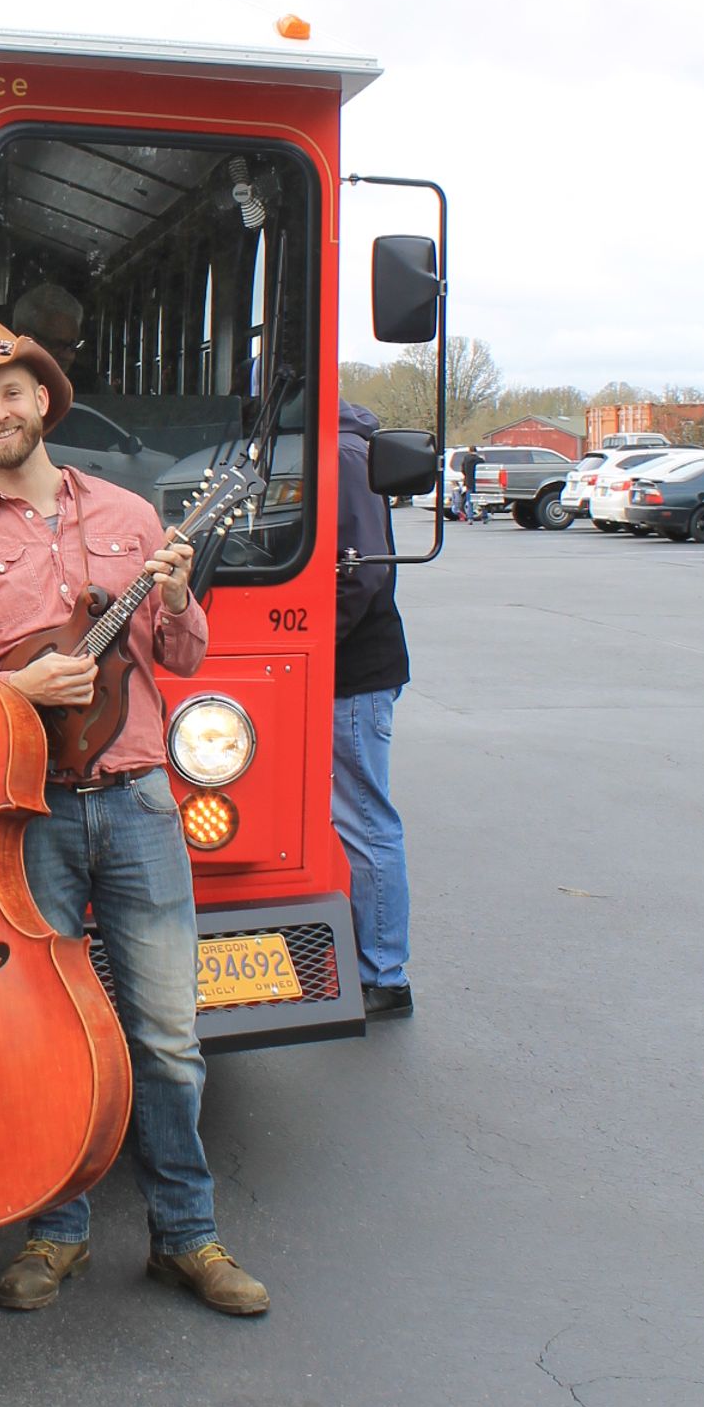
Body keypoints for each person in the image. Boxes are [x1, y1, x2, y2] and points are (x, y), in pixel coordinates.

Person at [0, 321, 269, 1319]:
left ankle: (187, 1238)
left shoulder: (131, 516)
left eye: (11, 392)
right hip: (33, 820)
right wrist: (17, 685)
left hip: (143, 801)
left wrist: (183, 596)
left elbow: (182, 658)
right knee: (53, 1039)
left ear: (43, 401)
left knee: (166, 1037)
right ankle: (57, 1233)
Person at [334, 402, 415, 1018]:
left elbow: (361, 574)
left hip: (355, 672)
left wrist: (312, 636)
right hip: (352, 667)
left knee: (365, 817)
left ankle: (385, 974)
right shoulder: (341, 447)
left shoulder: (338, 455)